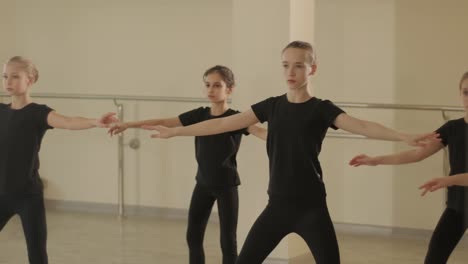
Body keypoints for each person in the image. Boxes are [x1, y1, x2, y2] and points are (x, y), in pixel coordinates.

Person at [141, 41, 437, 263]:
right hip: (277, 208)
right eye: (285, 64)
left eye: (298, 65)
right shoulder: (270, 106)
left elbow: (361, 126)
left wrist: (403, 136)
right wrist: (177, 130)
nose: (291, 71)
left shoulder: (322, 109)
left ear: (312, 69)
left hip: (312, 208)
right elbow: (222, 124)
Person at [109, 65, 266, 264]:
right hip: (202, 184)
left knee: (228, 242)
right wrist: (127, 124)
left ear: (230, 89)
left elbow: (260, 132)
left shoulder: (236, 118)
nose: (211, 90)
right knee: (193, 237)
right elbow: (164, 121)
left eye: (217, 85)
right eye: (207, 85)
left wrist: (285, 140)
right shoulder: (199, 114)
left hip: (226, 187)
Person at [0, 56, 118, 264]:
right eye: (5, 76)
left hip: (28, 196)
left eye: (15, 76)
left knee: (37, 254)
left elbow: (69, 122)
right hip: (1, 194)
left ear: (31, 79)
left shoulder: (38, 113)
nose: (8, 82)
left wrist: (94, 122)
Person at [350, 71, 468, 264]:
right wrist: (376, 160)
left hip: (455, 190)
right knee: (434, 257)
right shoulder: (452, 128)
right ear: (460, 95)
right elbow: (417, 154)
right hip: (458, 206)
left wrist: (449, 180)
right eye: (466, 92)